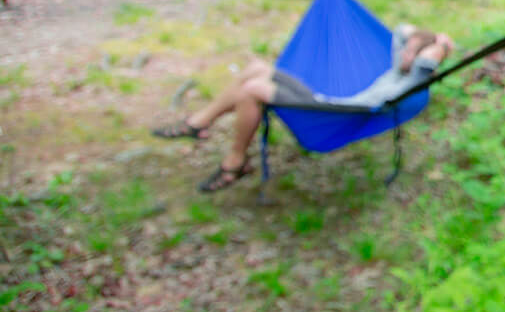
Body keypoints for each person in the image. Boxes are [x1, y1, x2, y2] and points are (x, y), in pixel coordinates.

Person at [152, 25, 454, 192]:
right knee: (258, 68)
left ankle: (235, 161)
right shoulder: (398, 68)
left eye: (412, 51)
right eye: (406, 48)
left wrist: (440, 46)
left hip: (337, 113)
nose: (404, 52)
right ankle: (199, 122)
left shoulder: (415, 77)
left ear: (422, 58)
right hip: (326, 102)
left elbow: (429, 59)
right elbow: (402, 30)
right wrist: (430, 38)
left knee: (253, 91)